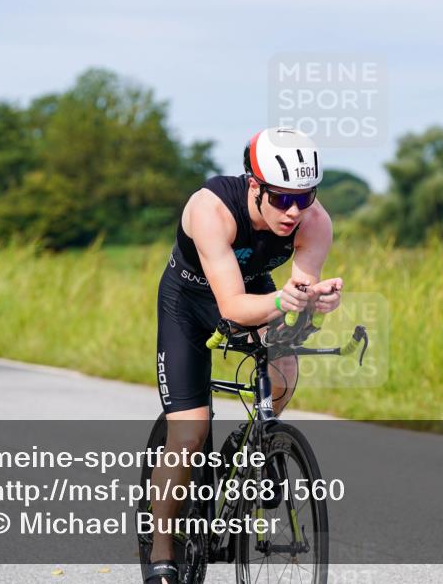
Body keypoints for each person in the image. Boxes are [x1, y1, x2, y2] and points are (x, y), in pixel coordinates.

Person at [144, 127, 343, 584]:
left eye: (304, 196)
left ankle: (254, 443)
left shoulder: (315, 222)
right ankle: (160, 550)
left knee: (284, 369)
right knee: (190, 435)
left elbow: (297, 294)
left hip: (252, 291)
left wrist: (314, 299)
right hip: (189, 304)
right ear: (254, 185)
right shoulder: (210, 209)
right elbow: (232, 309)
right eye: (280, 198)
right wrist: (283, 303)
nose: (293, 211)